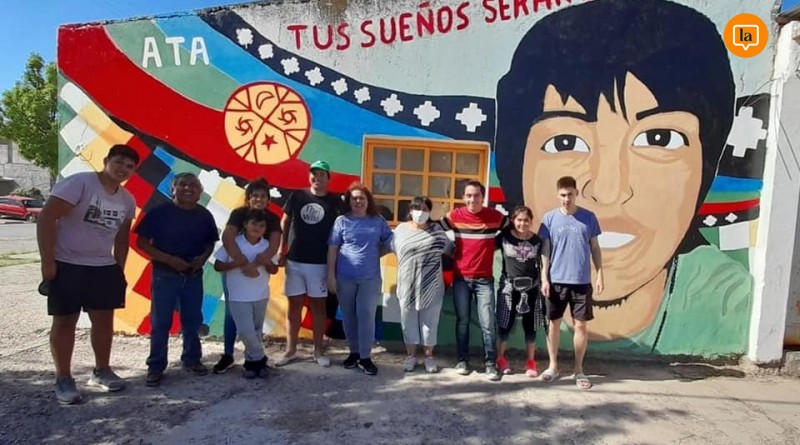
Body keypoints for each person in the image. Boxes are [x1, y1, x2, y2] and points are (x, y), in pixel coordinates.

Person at [494, 0, 750, 354]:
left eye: (658, 138)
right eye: (565, 142)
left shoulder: (732, 305)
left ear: (705, 165)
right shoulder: (487, 284)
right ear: (518, 164)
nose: (607, 189)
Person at [37, 144, 139, 405]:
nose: (123, 169)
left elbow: (122, 239)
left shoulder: (127, 200)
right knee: (65, 322)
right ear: (106, 161)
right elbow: (47, 218)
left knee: (104, 322)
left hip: (103, 268)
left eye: (129, 166)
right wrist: (47, 262)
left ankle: (102, 371)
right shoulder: (80, 184)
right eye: (119, 162)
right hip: (67, 263)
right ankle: (63, 379)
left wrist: (118, 269)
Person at [135, 172, 219, 387]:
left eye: (193, 185)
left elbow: (210, 242)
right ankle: (155, 367)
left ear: (200, 191)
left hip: (193, 276)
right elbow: (142, 243)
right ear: (173, 189)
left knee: (192, 321)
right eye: (183, 184)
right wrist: (169, 260)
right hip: (165, 275)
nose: (188, 188)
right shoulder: (159, 212)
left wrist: (202, 259)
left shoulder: (204, 215)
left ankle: (192, 360)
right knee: (160, 322)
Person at [276, 160, 344, 367]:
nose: (317, 177)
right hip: (295, 261)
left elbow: (344, 228)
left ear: (328, 178)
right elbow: (284, 222)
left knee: (318, 308)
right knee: (294, 307)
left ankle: (318, 351)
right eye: (314, 173)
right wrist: (281, 249)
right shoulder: (297, 196)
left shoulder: (335, 201)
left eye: (322, 174)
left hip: (320, 263)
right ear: (309, 176)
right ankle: (290, 350)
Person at [539, 176, 603, 389]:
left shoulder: (589, 217)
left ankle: (578, 370)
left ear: (576, 193)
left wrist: (600, 274)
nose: (567, 199)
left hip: (581, 282)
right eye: (563, 195)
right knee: (554, 323)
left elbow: (595, 248)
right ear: (558, 195)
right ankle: (553, 367)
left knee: (581, 325)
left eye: (570, 194)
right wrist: (544, 278)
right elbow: (545, 251)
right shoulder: (549, 219)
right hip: (556, 281)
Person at [212, 178, 281, 374]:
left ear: (268, 199)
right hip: (237, 271)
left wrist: (257, 264)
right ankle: (229, 355)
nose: (259, 199)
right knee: (232, 314)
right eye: (255, 195)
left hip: (259, 274)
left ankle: (253, 360)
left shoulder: (272, 218)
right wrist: (241, 262)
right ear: (248, 198)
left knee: (255, 323)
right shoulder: (238, 214)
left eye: (263, 196)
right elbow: (228, 237)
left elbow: (274, 245)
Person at [440, 180, 507, 381]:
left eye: (476, 195)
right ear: (463, 197)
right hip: (461, 278)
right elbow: (435, 229)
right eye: (468, 195)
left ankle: (490, 363)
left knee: (488, 323)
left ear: (483, 197)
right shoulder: (454, 216)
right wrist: (449, 249)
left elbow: (511, 230)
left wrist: (493, 245)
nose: (472, 199)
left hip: (484, 280)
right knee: (463, 322)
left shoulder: (495, 216)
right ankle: (463, 360)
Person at [327, 183, 392, 375]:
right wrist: (330, 276)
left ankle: (365, 357)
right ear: (349, 201)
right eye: (354, 198)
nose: (358, 201)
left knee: (366, 315)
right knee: (348, 316)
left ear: (368, 200)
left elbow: (389, 241)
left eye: (361, 198)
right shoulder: (341, 221)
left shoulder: (378, 221)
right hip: (345, 277)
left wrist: (377, 253)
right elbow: (332, 249)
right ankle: (354, 353)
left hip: (370, 278)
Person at [391, 196, 454, 373]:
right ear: (410, 210)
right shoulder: (400, 230)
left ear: (429, 212)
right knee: (408, 322)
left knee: (430, 324)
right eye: (417, 208)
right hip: (407, 284)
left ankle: (429, 357)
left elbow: (451, 251)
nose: (421, 212)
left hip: (432, 285)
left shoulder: (437, 231)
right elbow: (392, 249)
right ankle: (411, 356)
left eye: (425, 209)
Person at [495, 206, 545, 377]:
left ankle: (530, 362)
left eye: (526, 220)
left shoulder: (537, 241)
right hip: (509, 288)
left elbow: (544, 263)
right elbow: (484, 248)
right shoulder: (504, 238)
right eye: (519, 220)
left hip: (531, 289)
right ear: (513, 220)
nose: (522, 224)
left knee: (530, 326)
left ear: (531, 221)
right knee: (505, 324)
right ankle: (500, 358)